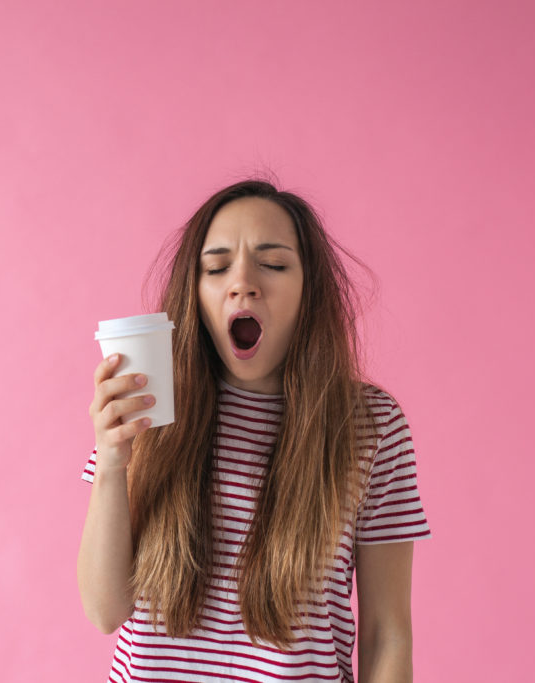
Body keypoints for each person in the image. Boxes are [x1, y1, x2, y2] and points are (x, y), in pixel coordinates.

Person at [77, 179, 431, 682]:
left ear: (310, 290)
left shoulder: (370, 427)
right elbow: (104, 610)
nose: (242, 282)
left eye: (274, 264)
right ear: (194, 294)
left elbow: (386, 633)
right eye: (217, 267)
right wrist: (112, 463)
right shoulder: (150, 404)